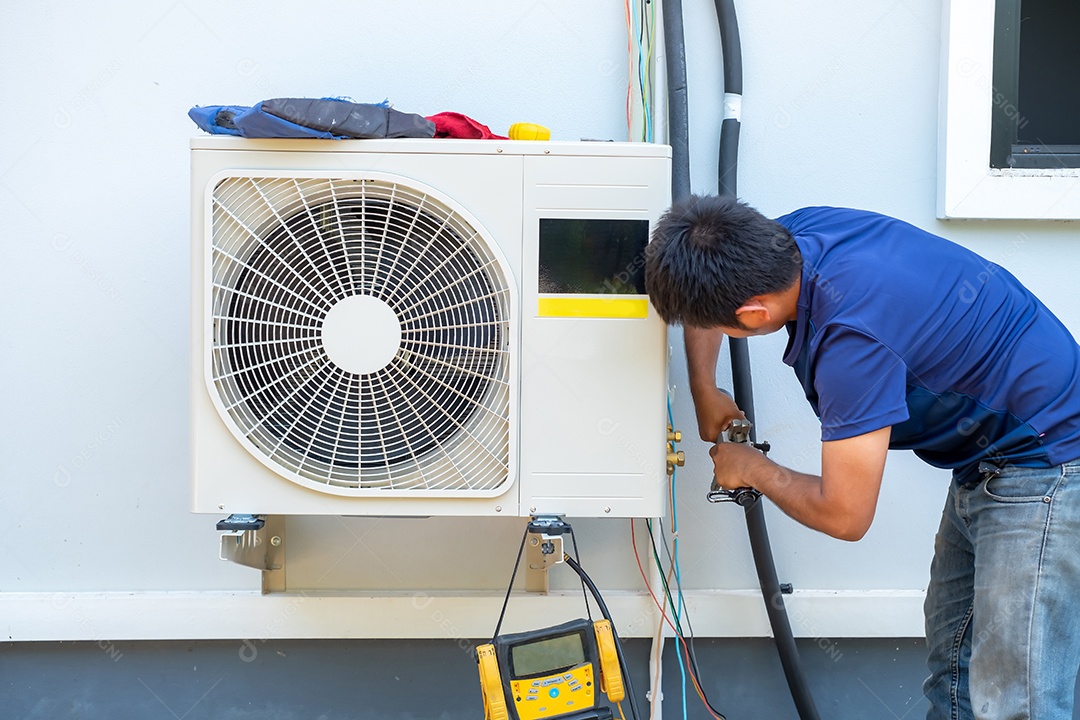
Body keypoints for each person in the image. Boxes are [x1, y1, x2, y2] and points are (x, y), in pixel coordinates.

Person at [644, 194, 1080, 720]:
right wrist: (703, 388)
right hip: (990, 456)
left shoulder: (852, 342)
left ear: (754, 315)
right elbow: (710, 299)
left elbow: (845, 515)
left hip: (1047, 465)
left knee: (1016, 703)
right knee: (956, 677)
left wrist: (751, 468)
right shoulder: (791, 238)